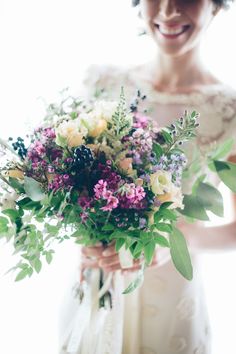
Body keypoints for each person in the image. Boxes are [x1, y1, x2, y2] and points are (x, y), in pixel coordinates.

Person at [60, 1, 236, 353]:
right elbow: (68, 184)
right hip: (98, 283)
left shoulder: (227, 112)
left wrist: (173, 240)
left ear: (216, 5)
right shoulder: (103, 83)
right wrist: (83, 230)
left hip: (171, 298)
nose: (169, 11)